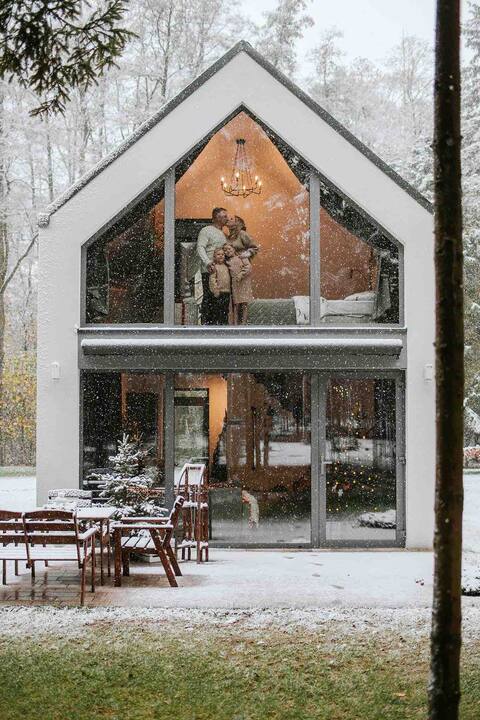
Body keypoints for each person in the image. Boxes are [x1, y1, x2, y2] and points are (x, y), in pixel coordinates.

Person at [196, 207, 228, 324]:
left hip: (221, 271)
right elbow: (200, 247)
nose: (227, 218)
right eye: (224, 216)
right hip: (209, 270)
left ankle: (217, 324)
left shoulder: (223, 234)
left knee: (219, 298)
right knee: (209, 297)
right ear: (216, 217)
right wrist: (207, 262)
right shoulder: (206, 230)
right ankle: (207, 325)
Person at [224, 242, 253, 325]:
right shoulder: (227, 262)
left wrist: (241, 274)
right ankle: (235, 323)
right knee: (236, 304)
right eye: (225, 250)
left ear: (233, 249)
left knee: (244, 303)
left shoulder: (241, 257)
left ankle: (243, 323)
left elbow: (248, 267)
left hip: (244, 282)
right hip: (235, 283)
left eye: (229, 249)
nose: (227, 251)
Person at [208, 247, 231, 325]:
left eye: (222, 254)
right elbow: (212, 279)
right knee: (217, 310)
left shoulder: (226, 266)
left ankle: (224, 324)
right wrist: (215, 290)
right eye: (218, 254)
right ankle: (217, 325)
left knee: (225, 310)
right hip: (218, 293)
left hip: (226, 292)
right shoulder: (214, 267)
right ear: (214, 256)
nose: (221, 256)